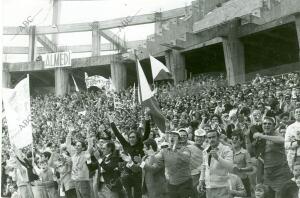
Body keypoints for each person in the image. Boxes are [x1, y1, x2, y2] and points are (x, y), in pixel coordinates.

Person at [107, 109, 151, 198]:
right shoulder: (125, 145)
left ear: (137, 138)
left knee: (138, 195)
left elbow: (146, 133)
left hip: (138, 173)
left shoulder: (140, 144)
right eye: (130, 137)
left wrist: (147, 118)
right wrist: (111, 121)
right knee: (128, 196)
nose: (131, 139)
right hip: (127, 174)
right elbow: (117, 134)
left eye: (133, 137)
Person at [253, 117, 293, 198]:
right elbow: (257, 156)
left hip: (280, 173)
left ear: (273, 126)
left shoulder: (276, 134)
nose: (266, 125)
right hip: (268, 174)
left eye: (269, 124)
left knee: (280, 196)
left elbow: (282, 140)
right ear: (262, 125)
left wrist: (262, 136)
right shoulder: (260, 138)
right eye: (264, 123)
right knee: (268, 196)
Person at [154, 130, 194, 198]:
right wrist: (148, 157)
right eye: (170, 136)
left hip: (185, 183)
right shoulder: (164, 151)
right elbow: (155, 159)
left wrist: (175, 150)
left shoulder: (185, 149)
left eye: (174, 136)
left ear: (179, 139)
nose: (172, 138)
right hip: (171, 184)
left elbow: (187, 159)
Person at [198, 129, 234, 198]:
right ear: (207, 139)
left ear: (218, 138)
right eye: (209, 138)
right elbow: (204, 166)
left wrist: (218, 158)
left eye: (213, 137)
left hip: (222, 186)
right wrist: (201, 180)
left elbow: (230, 166)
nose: (211, 139)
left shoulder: (226, 149)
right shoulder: (205, 150)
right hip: (209, 186)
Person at [66, 127, 92, 198]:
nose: (76, 147)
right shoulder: (73, 154)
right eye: (76, 145)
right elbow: (68, 144)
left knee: (85, 196)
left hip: (83, 179)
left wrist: (88, 133)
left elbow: (90, 146)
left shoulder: (85, 153)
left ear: (83, 148)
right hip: (75, 179)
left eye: (78, 146)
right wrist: (70, 132)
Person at [187, 128, 206, 197]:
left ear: (204, 138)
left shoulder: (205, 149)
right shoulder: (188, 147)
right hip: (193, 177)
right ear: (194, 137)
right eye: (197, 137)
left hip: (203, 177)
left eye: (201, 137)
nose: (199, 139)